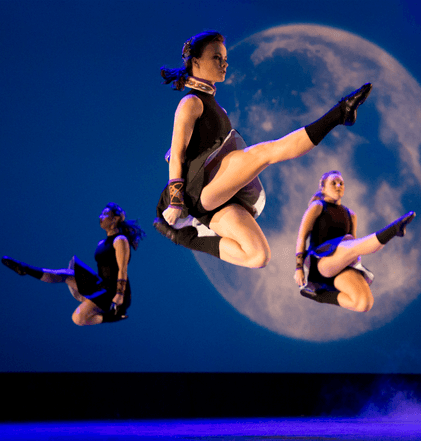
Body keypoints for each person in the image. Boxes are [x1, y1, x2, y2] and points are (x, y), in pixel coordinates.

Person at [154, 30, 372, 268]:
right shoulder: (191, 102)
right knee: (265, 153)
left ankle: (183, 236)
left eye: (225, 58)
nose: (224, 63)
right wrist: (175, 202)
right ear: (195, 62)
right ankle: (340, 113)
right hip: (198, 189)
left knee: (258, 255)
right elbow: (177, 154)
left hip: (216, 197)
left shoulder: (217, 109)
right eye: (216, 57)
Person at [1, 203, 145, 326]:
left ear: (115, 219)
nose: (100, 216)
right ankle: (25, 269)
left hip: (113, 292)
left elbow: (122, 269)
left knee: (78, 318)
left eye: (105, 214)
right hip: (101, 285)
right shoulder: (101, 243)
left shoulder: (120, 240)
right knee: (65, 274)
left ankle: (113, 316)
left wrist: (119, 294)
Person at [293, 170, 415, 312]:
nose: (338, 186)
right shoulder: (317, 206)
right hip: (322, 263)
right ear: (323, 187)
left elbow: (356, 245)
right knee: (351, 246)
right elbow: (301, 237)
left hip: (343, 263)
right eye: (333, 183)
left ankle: (320, 296)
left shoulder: (351, 215)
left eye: (341, 183)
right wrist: (299, 267)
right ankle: (393, 230)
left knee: (364, 303)